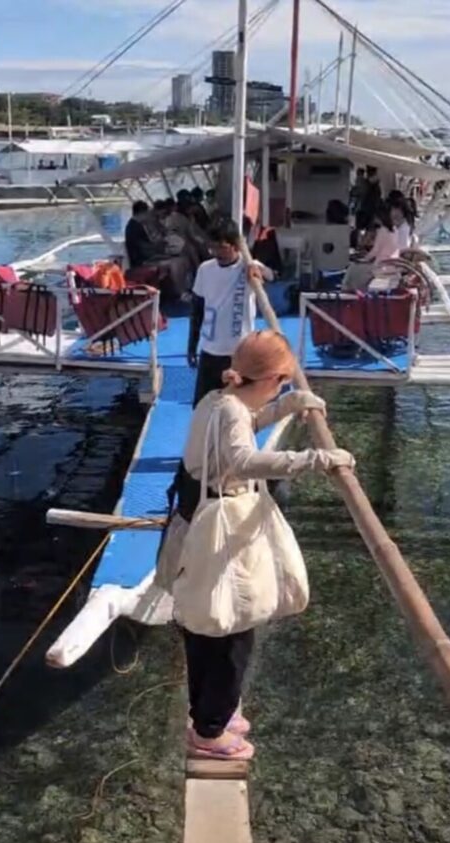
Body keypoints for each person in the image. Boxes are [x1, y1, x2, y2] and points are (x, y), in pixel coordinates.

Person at [166, 329, 356, 760]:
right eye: (284, 383)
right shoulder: (231, 411)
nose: (283, 388)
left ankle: (211, 711)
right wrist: (316, 459)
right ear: (271, 378)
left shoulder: (217, 400)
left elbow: (243, 426)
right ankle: (209, 733)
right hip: (220, 529)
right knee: (234, 630)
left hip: (196, 517)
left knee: (206, 627)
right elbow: (242, 459)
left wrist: (290, 404)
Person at [188, 219, 273, 407]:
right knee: (202, 407)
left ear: (235, 246)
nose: (216, 253)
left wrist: (259, 271)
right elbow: (197, 309)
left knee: (239, 408)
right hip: (211, 350)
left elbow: (272, 276)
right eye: (212, 247)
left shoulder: (248, 266)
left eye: (221, 247)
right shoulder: (205, 269)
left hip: (239, 352)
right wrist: (191, 346)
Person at [342, 203, 399, 291]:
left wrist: (364, 259)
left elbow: (375, 251)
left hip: (380, 264)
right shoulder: (395, 230)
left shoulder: (382, 231)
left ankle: (350, 289)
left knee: (353, 268)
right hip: (391, 264)